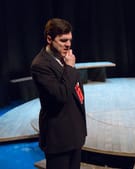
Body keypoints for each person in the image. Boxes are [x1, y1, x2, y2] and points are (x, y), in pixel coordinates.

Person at [31, 18, 87, 169]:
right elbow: (60, 95)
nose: (68, 44)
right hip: (58, 137)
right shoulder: (40, 65)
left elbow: (75, 91)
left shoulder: (64, 57)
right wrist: (70, 68)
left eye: (69, 40)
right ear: (49, 39)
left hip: (74, 133)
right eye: (63, 40)